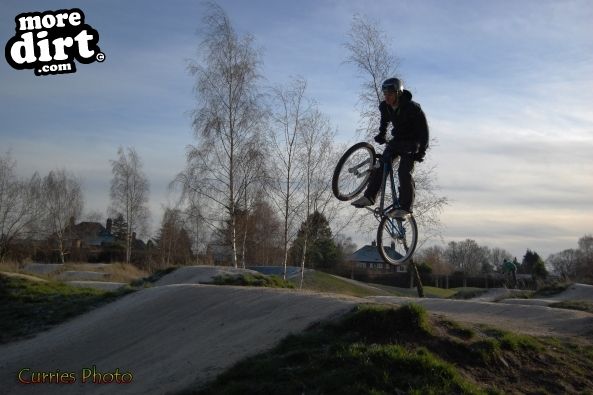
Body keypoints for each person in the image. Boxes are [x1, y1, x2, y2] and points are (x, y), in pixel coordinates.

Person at [351, 78, 429, 217]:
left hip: (412, 143)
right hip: (397, 141)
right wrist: (381, 134)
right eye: (385, 94)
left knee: (404, 172)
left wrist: (421, 151)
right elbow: (384, 121)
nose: (387, 97)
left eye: (390, 94)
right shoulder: (385, 107)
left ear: (398, 93)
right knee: (381, 165)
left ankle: (405, 207)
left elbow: (424, 131)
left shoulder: (413, 108)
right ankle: (369, 197)